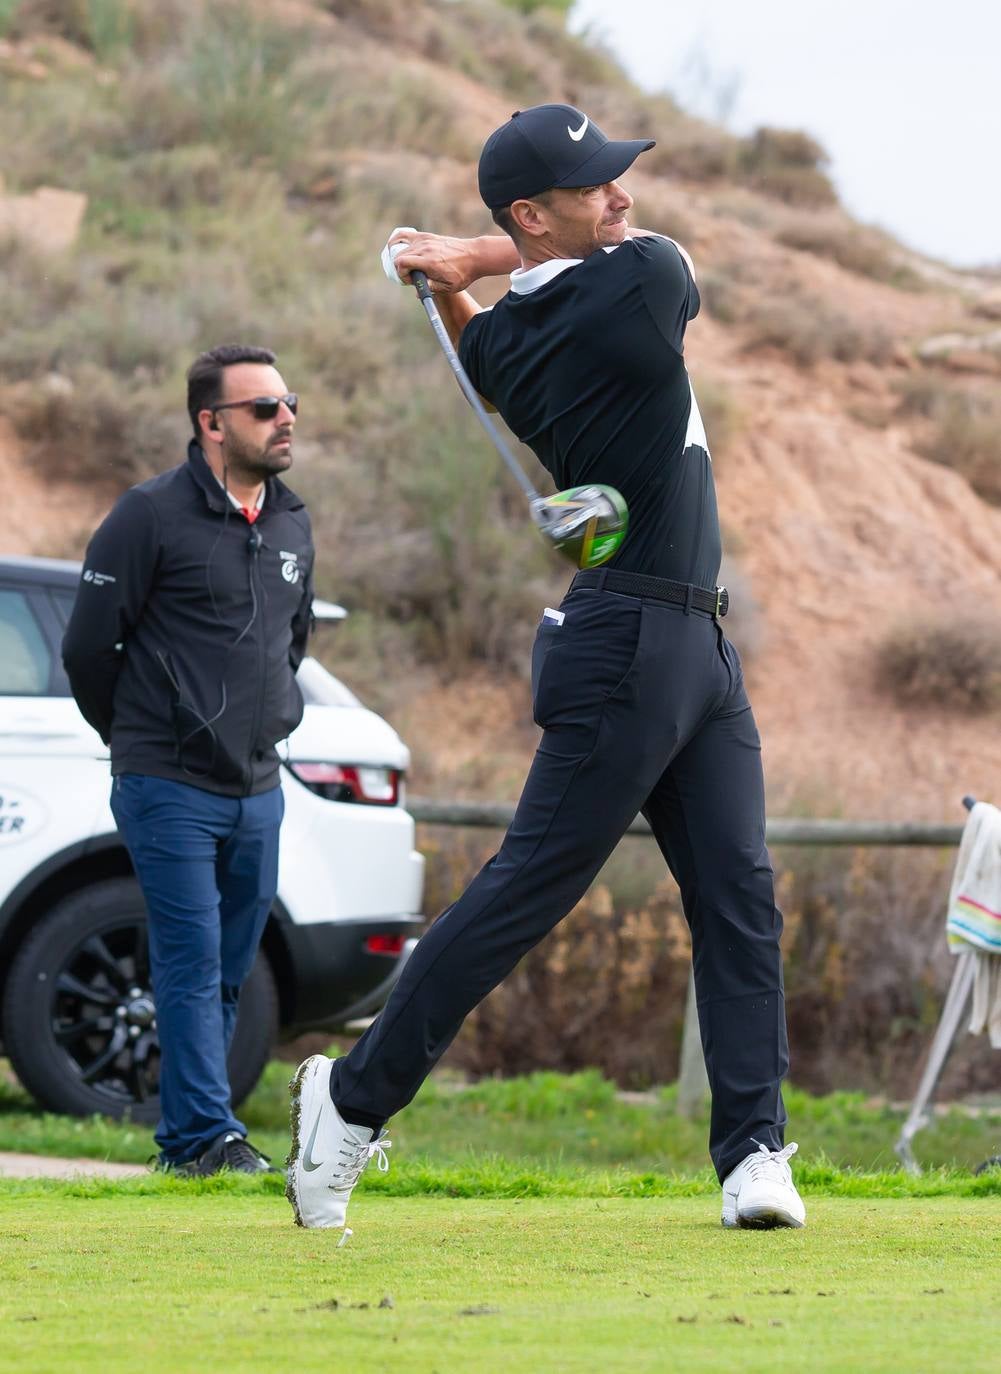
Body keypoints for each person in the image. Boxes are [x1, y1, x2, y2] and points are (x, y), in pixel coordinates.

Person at [286, 105, 804, 1232]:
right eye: (592, 186)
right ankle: (351, 1100)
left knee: (738, 895)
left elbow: (483, 320)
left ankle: (754, 1153)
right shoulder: (641, 282)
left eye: (615, 178)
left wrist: (444, 268)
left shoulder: (501, 349)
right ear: (530, 214)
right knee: (528, 891)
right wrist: (458, 257)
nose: (620, 196)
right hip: (628, 641)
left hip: (691, 642)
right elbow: (566, 265)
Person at [63, 344, 314, 1175]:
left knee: (230, 970)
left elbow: (290, 644)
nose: (285, 420)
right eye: (262, 408)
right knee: (190, 957)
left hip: (258, 789)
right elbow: (88, 651)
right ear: (210, 424)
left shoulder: (291, 521)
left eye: (288, 405)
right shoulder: (147, 516)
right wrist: (137, 741)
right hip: (166, 783)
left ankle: (191, 1139)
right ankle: (206, 1139)